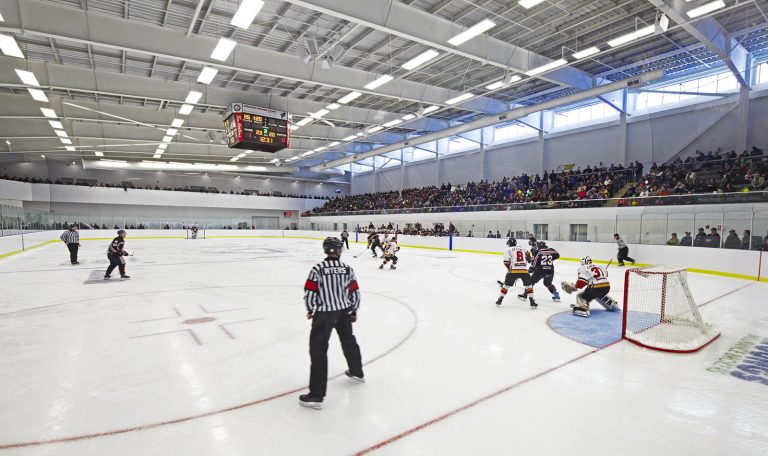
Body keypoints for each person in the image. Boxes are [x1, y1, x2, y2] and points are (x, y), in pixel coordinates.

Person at [299, 237, 363, 410]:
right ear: (340, 251)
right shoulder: (347, 269)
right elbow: (355, 292)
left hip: (324, 314)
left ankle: (316, 395)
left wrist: (310, 309)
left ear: (325, 250)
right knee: (349, 341)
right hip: (344, 312)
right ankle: (357, 371)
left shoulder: (317, 269)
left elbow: (310, 292)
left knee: (318, 351)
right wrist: (354, 310)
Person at [496, 238, 536, 309]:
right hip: (524, 270)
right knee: (529, 286)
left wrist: (509, 269)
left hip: (514, 270)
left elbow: (506, 262)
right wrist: (529, 258)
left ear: (509, 244)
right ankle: (532, 301)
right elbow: (531, 256)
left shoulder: (509, 249)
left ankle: (500, 300)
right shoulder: (522, 248)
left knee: (506, 286)